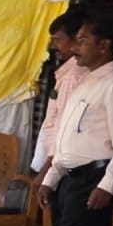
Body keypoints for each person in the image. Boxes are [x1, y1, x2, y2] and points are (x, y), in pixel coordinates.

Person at [37, 18, 113, 226]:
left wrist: (108, 185)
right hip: (70, 182)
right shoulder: (85, 83)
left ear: (103, 46)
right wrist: (50, 179)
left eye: (83, 41)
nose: (75, 48)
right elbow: (67, 139)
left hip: (92, 181)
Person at [31, 10, 90, 181]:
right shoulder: (67, 73)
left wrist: (47, 170)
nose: (52, 45)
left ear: (76, 41)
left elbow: (63, 128)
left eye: (58, 39)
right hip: (57, 162)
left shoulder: (73, 76)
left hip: (58, 165)